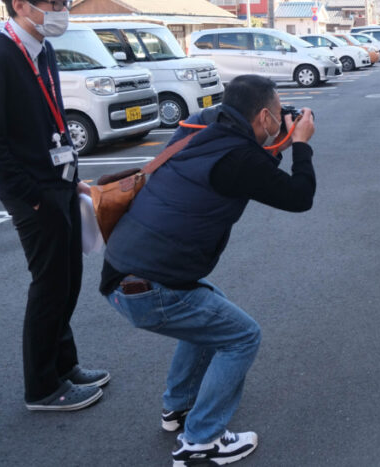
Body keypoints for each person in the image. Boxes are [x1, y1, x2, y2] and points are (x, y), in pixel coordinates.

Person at [100, 74, 316, 466]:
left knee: (207, 310)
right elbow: (299, 197)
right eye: (277, 112)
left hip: (123, 274)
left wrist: (278, 142)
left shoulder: (198, 131)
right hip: (151, 287)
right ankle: (202, 440)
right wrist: (299, 143)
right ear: (265, 116)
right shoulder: (238, 158)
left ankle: (178, 409)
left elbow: (252, 172)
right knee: (242, 336)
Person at [0, 0, 109, 411]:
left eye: (65, 1)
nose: (63, 10)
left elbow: (54, 123)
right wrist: (31, 198)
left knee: (68, 281)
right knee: (49, 286)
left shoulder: (41, 48)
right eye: (56, 2)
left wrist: (74, 179)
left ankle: (64, 365)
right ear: (20, 5)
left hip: (60, 184)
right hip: (33, 194)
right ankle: (42, 388)